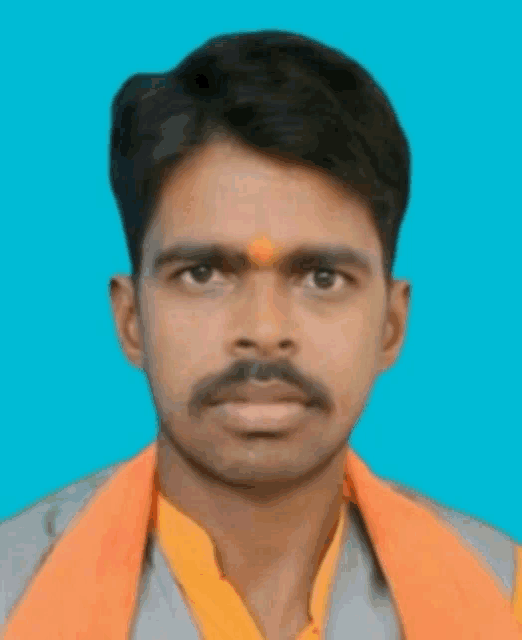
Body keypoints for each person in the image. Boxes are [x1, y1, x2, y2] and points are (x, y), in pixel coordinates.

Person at [1, 29, 521, 640]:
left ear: (390, 325)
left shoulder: (504, 596)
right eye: (203, 273)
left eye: (322, 278)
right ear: (131, 319)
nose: (265, 332)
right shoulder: (12, 595)